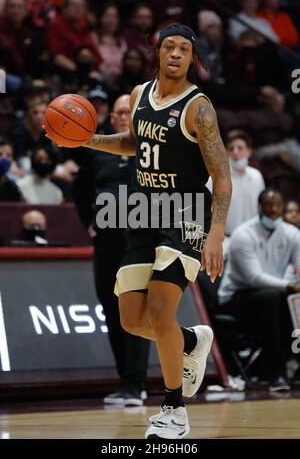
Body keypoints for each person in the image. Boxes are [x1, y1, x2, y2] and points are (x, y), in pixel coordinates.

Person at [49, 24, 232, 439]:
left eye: (184, 49)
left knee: (161, 310)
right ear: (158, 52)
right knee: (133, 319)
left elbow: (222, 176)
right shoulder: (138, 95)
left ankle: (174, 409)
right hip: (144, 211)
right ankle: (189, 341)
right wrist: (87, 140)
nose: (175, 54)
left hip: (185, 210)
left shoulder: (198, 108)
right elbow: (134, 143)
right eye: (169, 46)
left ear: (191, 59)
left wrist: (216, 234)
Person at [73, 94, 150, 407]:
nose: (122, 116)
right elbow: (79, 189)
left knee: (137, 313)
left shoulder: (149, 149)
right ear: (112, 118)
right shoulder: (98, 153)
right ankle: (125, 382)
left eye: (128, 112)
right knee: (111, 311)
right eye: (118, 113)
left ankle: (137, 385)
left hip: (139, 243)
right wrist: (87, 223)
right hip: (105, 244)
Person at [218, 188, 300, 391]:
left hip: (276, 294)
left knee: (288, 300)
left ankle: (295, 365)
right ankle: (276, 373)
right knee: (272, 298)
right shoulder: (242, 234)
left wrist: (293, 285)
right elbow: (254, 277)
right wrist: (289, 286)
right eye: (268, 205)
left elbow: (298, 269)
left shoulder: (292, 234)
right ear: (259, 207)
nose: (273, 209)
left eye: (277, 205)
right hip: (236, 296)